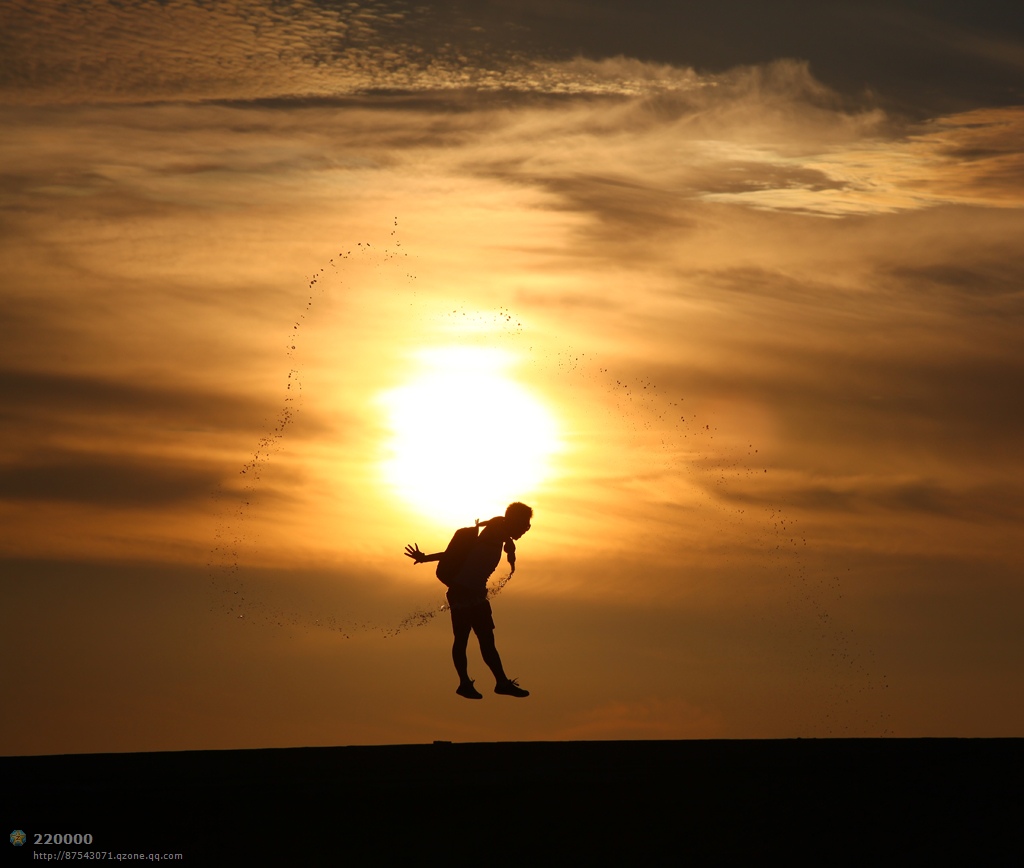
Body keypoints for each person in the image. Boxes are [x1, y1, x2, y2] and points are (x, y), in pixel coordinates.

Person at [404, 502, 533, 699]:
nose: (525, 530)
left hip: (477, 594)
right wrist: (425, 558)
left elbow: (498, 531)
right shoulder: (493, 532)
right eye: (525, 525)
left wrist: (509, 544)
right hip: (462, 592)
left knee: (487, 641)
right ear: (514, 520)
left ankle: (501, 683)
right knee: (462, 638)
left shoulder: (499, 533)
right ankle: (465, 683)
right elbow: (457, 553)